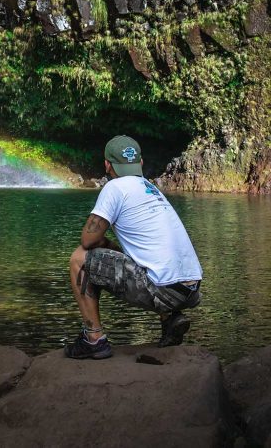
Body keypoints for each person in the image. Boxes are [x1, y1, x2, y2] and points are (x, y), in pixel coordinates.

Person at [65, 135, 203, 359]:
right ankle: (170, 319)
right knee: (148, 262)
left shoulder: (115, 187)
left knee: (79, 259)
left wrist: (107, 244)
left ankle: (94, 339)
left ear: (107, 165)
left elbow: (88, 240)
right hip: (191, 288)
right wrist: (111, 246)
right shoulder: (150, 188)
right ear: (140, 163)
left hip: (164, 290)